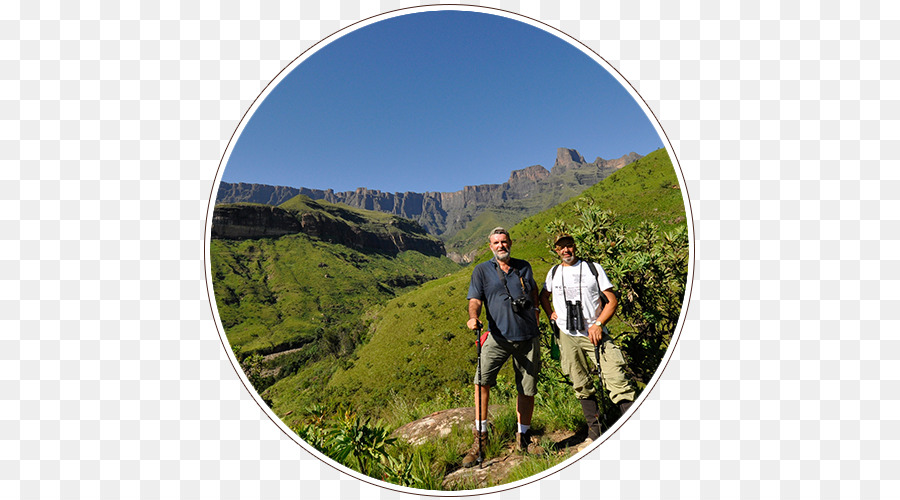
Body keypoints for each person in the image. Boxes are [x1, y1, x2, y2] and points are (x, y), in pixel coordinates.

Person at [538, 233, 636, 451]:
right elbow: (544, 296)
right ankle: (594, 434)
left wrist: (598, 324)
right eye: (561, 247)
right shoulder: (553, 272)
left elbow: (612, 301)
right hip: (567, 334)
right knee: (580, 382)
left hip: (594, 333)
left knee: (616, 378)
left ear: (575, 247)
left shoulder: (593, 269)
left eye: (569, 246)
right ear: (556, 250)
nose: (566, 251)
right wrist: (550, 313)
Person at [463, 227, 542, 467]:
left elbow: (535, 292)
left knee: (527, 388)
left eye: (504, 242)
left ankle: (524, 438)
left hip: (527, 337)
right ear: (490, 246)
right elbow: (475, 299)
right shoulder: (482, 270)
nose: (501, 246)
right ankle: (480, 439)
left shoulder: (524, 266)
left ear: (510, 243)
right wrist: (473, 316)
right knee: (481, 382)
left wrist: (537, 314)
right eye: (496, 242)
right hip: (497, 337)